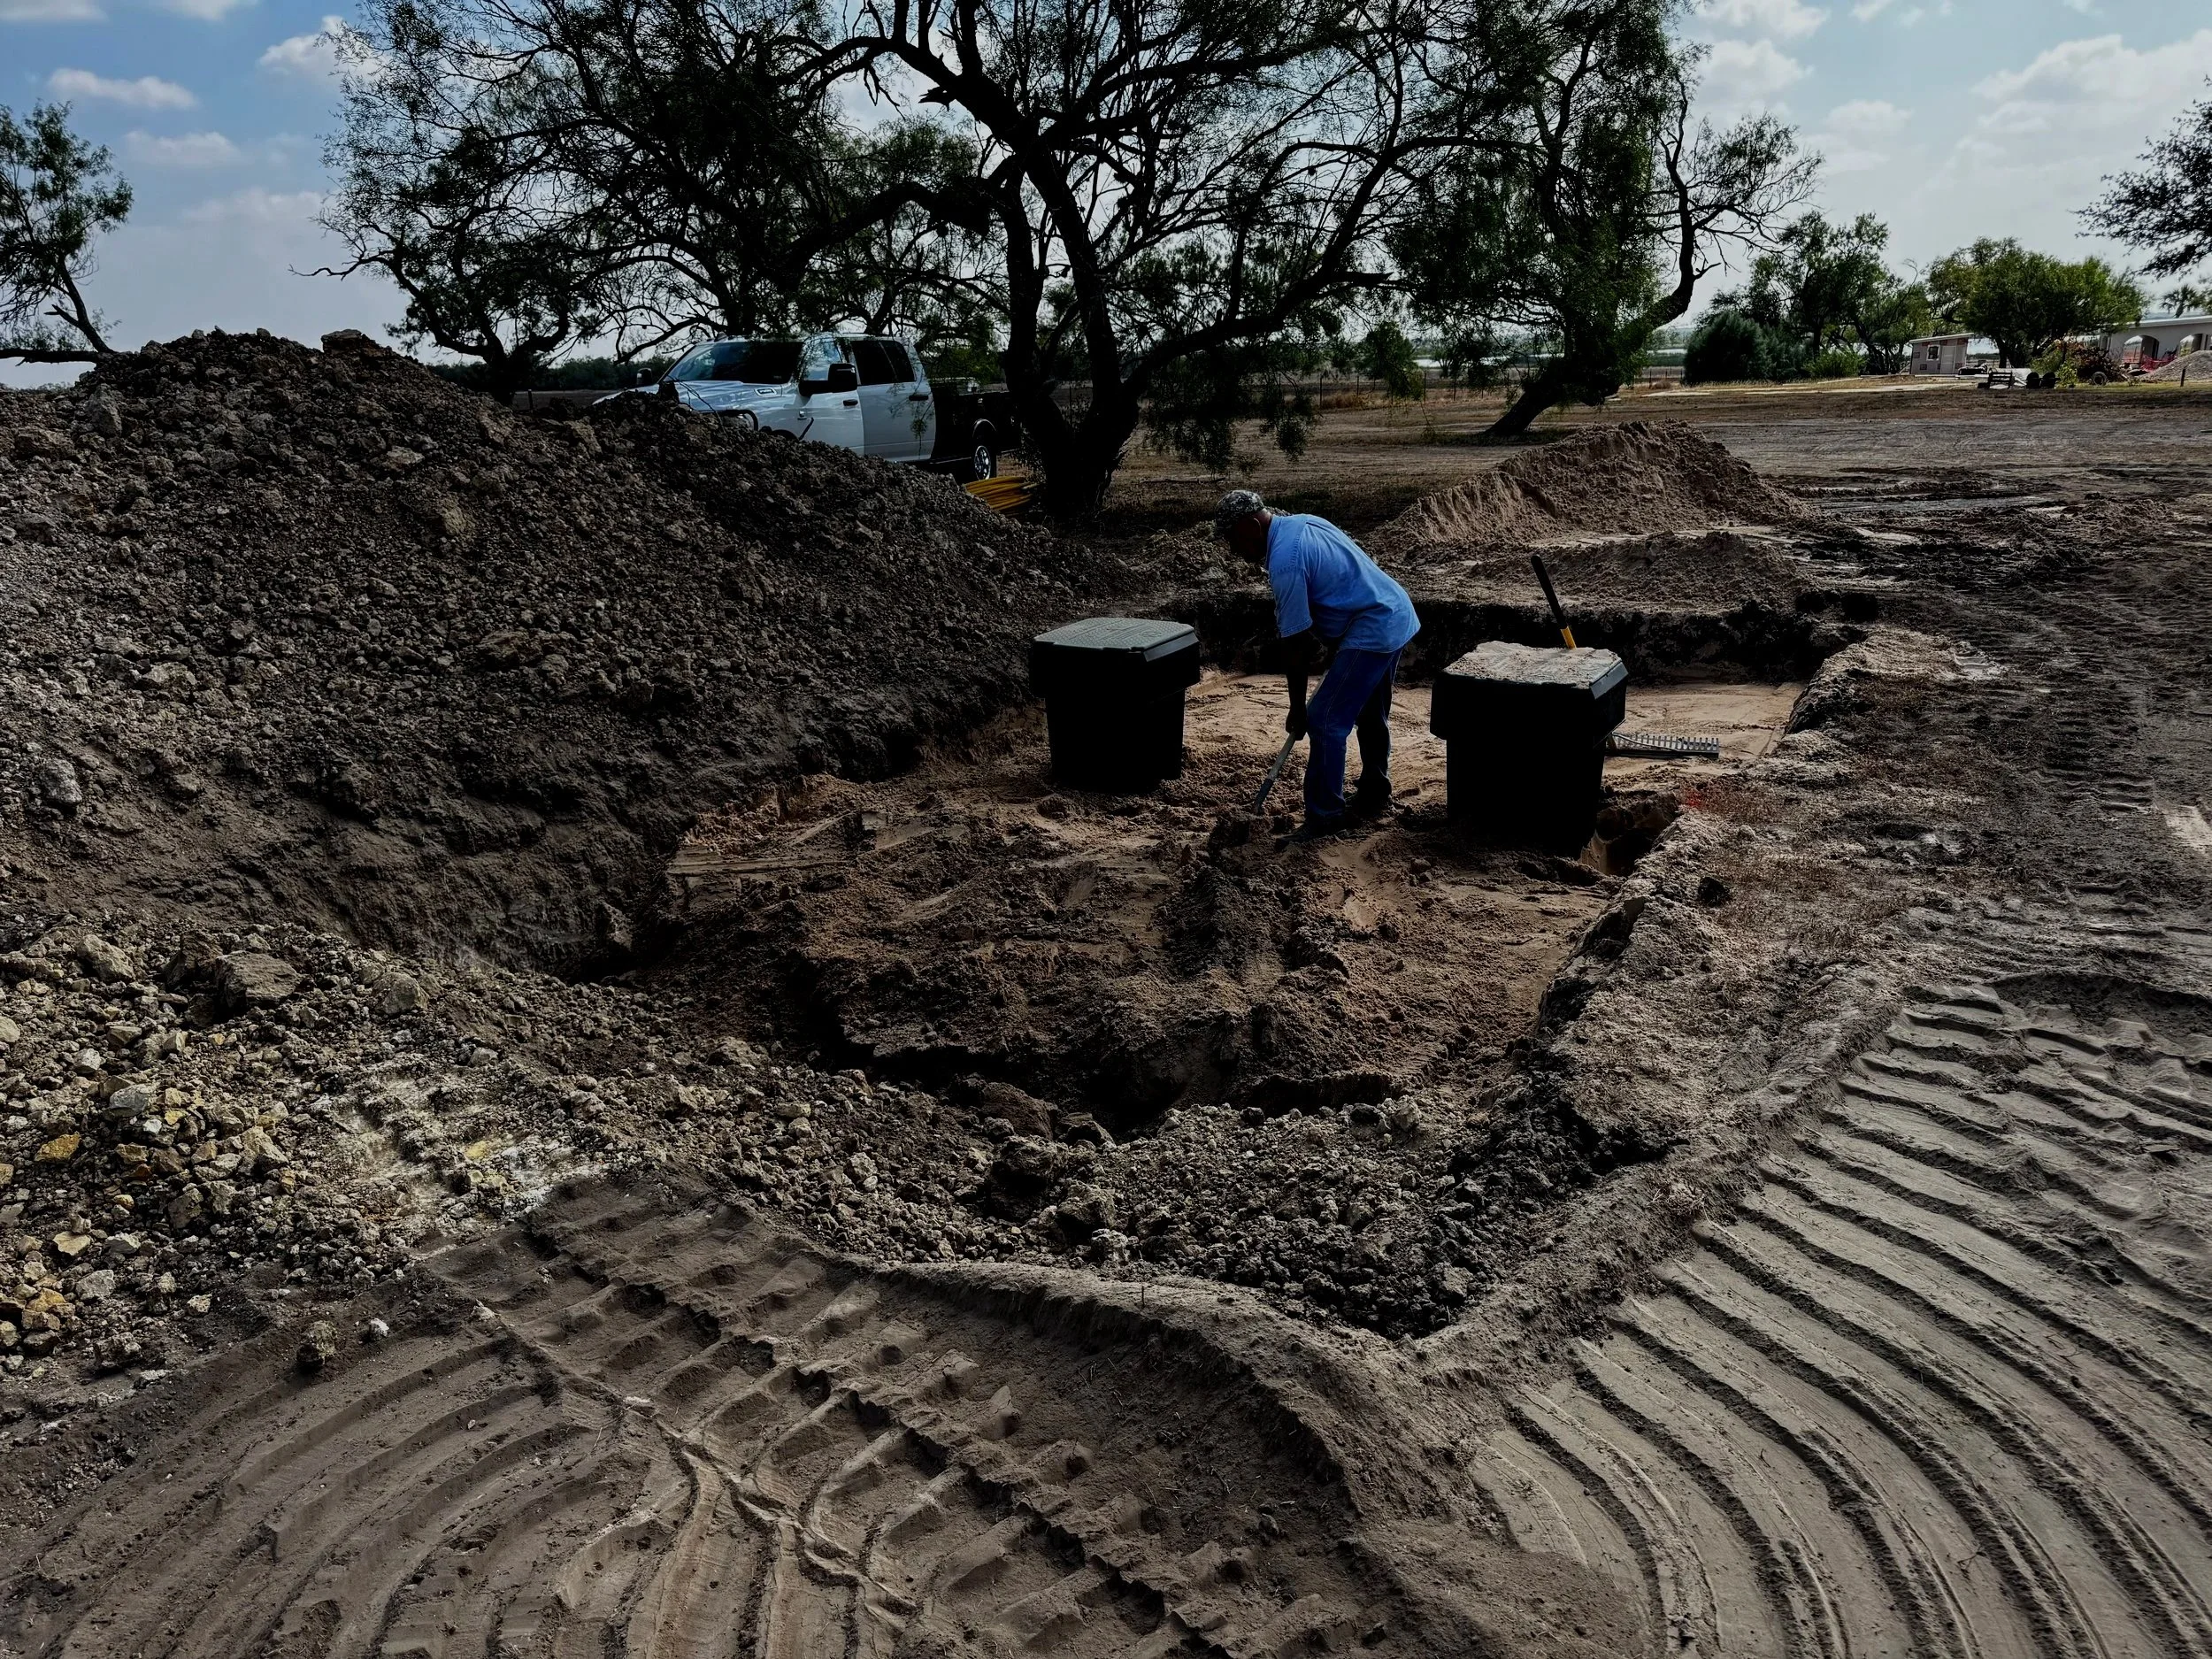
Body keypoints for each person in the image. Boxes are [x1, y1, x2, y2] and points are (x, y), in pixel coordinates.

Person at [1216, 489, 1420, 835]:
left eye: (1233, 540)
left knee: (1324, 720)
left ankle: (1325, 816)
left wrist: (1298, 708)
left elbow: (1295, 643)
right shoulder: (1302, 523)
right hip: (1393, 611)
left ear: (1251, 526)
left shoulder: (1286, 562)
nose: (1233, 551)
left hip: (1373, 628)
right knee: (1369, 711)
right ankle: (1374, 790)